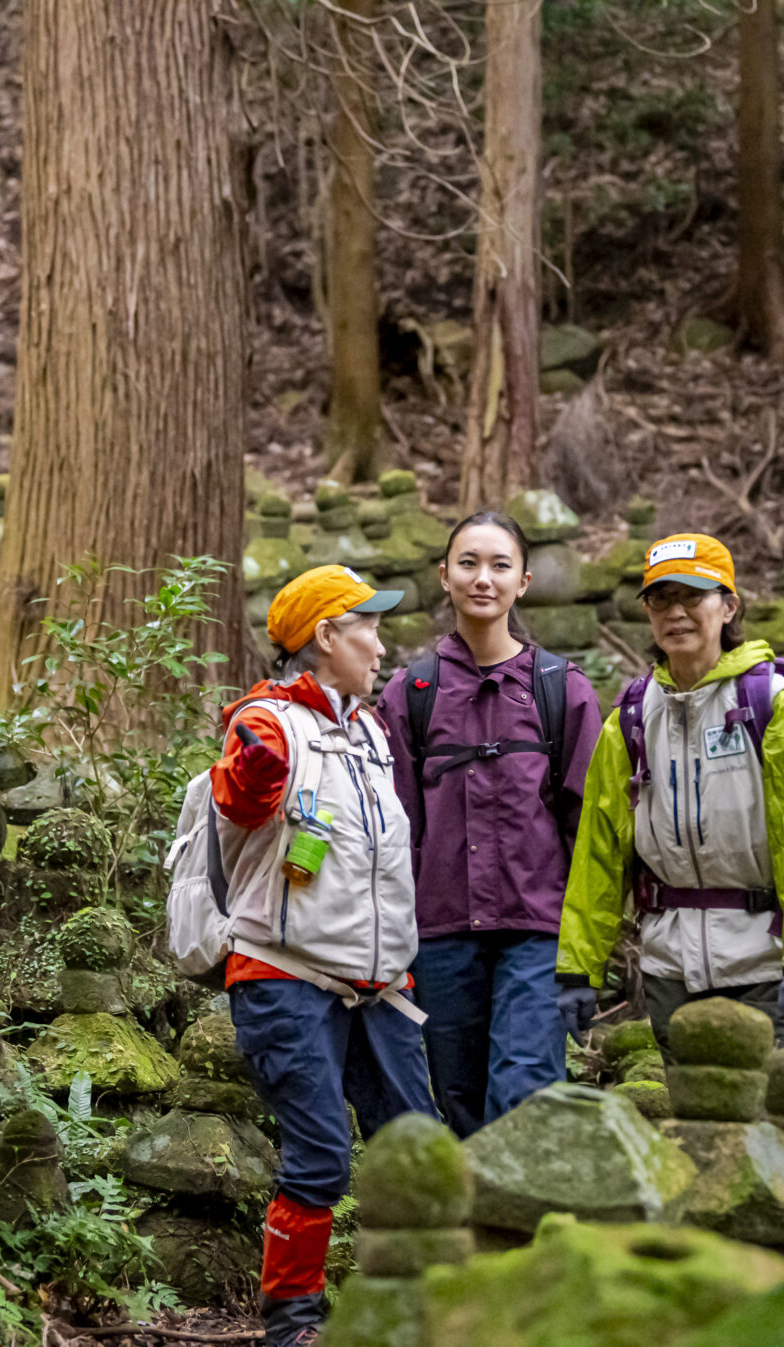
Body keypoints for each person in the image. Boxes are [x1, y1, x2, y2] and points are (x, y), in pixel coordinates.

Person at [209, 564, 438, 1347]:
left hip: (379, 986)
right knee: (319, 1156)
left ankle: (413, 1308)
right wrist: (252, 770)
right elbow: (240, 798)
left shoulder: (369, 730)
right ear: (326, 637)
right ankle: (292, 1326)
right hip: (286, 976)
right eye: (367, 625)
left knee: (412, 1144)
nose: (381, 642)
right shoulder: (267, 722)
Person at [556, 533, 784, 1055]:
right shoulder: (631, 719)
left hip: (763, 962)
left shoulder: (773, 706)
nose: (677, 612)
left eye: (693, 596)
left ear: (728, 606)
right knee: (689, 1120)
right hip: (670, 967)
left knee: (759, 1123)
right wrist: (580, 967)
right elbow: (599, 851)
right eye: (661, 599)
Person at [379, 510, 604, 1138]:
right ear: (443, 576)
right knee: (459, 1101)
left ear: (524, 581)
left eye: (500, 565)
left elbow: (589, 829)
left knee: (527, 1088)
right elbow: (394, 827)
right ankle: (478, 1234)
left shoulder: (561, 689)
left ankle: (528, 1228)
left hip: (536, 931)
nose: (484, 578)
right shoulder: (410, 692)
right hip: (442, 931)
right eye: (469, 563)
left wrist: (587, 949)